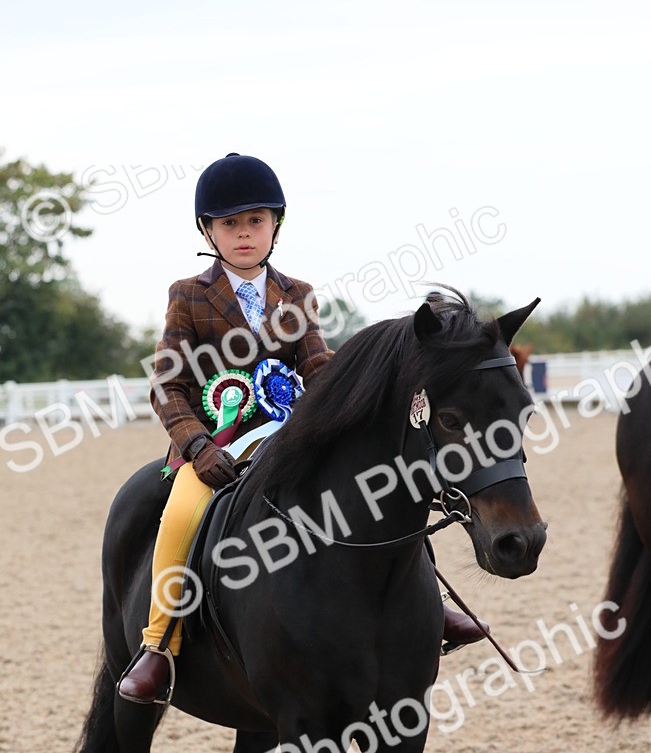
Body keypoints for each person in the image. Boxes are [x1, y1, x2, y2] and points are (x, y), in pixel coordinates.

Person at [118, 153, 485, 704]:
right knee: (182, 512)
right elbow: (167, 385)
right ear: (208, 231)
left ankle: (431, 605)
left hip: (291, 432)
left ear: (275, 227)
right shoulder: (188, 295)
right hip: (214, 439)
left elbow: (317, 367)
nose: (244, 235)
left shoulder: (298, 294)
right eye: (230, 225)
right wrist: (194, 444)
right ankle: (159, 646)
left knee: (381, 485)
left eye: (255, 222)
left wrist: (353, 390)